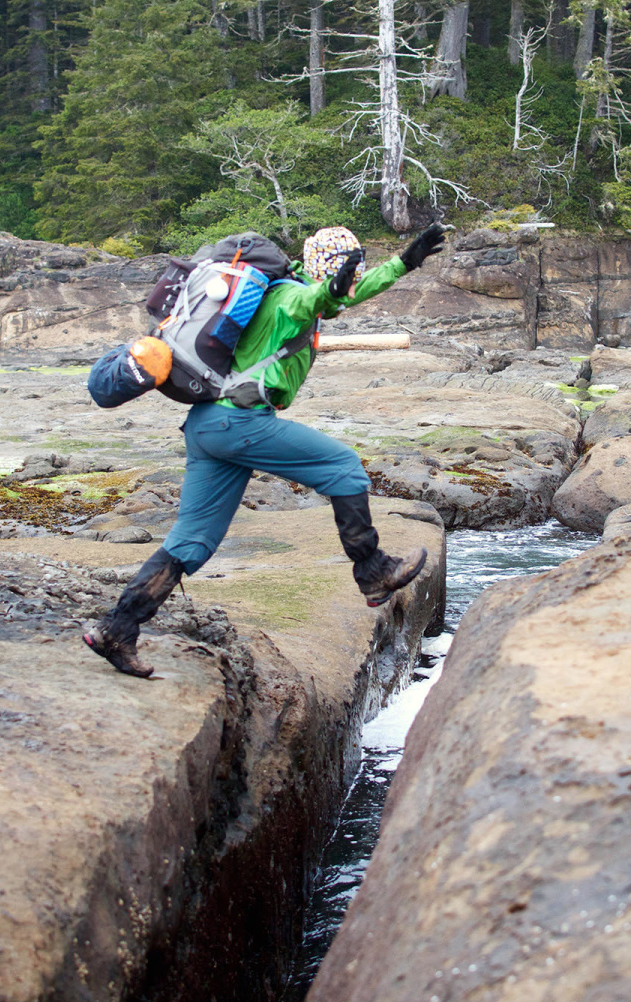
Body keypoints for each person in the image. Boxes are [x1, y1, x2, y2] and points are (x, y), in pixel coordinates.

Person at [83, 223, 445, 677]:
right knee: (344, 468)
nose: (354, 281)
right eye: (348, 272)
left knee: (193, 541)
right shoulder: (291, 298)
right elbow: (319, 299)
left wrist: (405, 263)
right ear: (326, 271)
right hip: (239, 422)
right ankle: (372, 570)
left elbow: (338, 297)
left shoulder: (289, 294)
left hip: (208, 426)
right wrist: (332, 287)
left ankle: (117, 628)